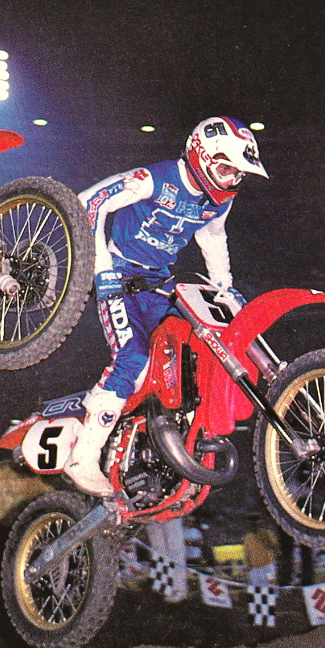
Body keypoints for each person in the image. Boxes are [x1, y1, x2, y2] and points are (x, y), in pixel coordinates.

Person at [63, 116, 269, 495]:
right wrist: (101, 269)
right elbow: (87, 203)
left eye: (238, 174)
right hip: (120, 276)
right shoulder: (153, 179)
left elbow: (212, 237)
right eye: (225, 169)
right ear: (201, 155)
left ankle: (171, 438)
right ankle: (83, 454)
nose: (230, 180)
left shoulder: (218, 202)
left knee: (197, 348)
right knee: (134, 359)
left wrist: (224, 285)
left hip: (160, 283)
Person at [242, 513, 280, 587]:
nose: (253, 524)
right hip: (255, 569)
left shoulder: (267, 533)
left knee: (271, 588)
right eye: (251, 523)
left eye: (255, 522)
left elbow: (274, 547)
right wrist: (248, 566)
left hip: (267, 567)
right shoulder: (247, 537)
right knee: (257, 590)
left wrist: (263, 538)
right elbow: (247, 554)